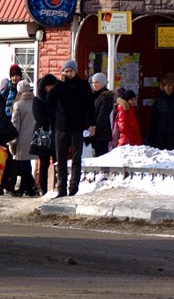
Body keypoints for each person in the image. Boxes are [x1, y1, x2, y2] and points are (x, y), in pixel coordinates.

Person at [49, 59, 95, 197]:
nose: (68, 74)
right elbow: (49, 99)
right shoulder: (59, 85)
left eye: (70, 71)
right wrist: (59, 84)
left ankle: (73, 188)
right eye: (65, 71)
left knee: (76, 159)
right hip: (61, 127)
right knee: (61, 159)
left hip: (77, 126)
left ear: (75, 71)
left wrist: (92, 124)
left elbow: (90, 106)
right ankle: (61, 189)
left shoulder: (83, 85)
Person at [10, 79, 39, 196]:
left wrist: (12, 139)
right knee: (26, 163)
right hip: (33, 136)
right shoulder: (35, 102)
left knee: (23, 164)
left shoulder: (18, 104)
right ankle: (26, 187)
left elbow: (15, 124)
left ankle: (27, 188)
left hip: (22, 137)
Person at [32, 73, 58, 195]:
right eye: (48, 86)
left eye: (52, 86)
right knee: (44, 164)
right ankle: (44, 189)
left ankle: (58, 186)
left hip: (57, 134)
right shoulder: (38, 100)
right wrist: (51, 122)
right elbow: (38, 117)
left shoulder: (58, 99)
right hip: (43, 135)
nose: (51, 88)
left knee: (58, 162)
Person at [147, 73, 174, 150]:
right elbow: (154, 118)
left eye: (170, 85)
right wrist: (152, 135)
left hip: (173, 135)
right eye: (165, 85)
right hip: (159, 135)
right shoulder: (159, 99)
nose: (167, 88)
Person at [90, 72, 115, 156]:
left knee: (101, 156)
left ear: (103, 83)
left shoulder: (106, 96)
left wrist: (94, 127)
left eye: (97, 82)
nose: (94, 85)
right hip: (90, 132)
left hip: (101, 134)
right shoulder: (92, 95)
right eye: (93, 82)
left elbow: (103, 115)